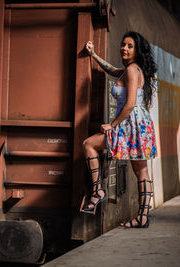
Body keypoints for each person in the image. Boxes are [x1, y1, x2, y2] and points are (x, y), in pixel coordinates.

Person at [79, 31, 157, 229]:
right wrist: (94, 55)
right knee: (141, 170)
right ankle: (143, 217)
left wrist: (111, 125)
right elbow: (112, 70)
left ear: (137, 51)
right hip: (140, 124)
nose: (124, 48)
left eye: (130, 46)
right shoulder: (132, 70)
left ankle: (98, 191)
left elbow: (130, 104)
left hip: (130, 122)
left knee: (89, 144)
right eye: (123, 44)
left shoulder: (132, 70)